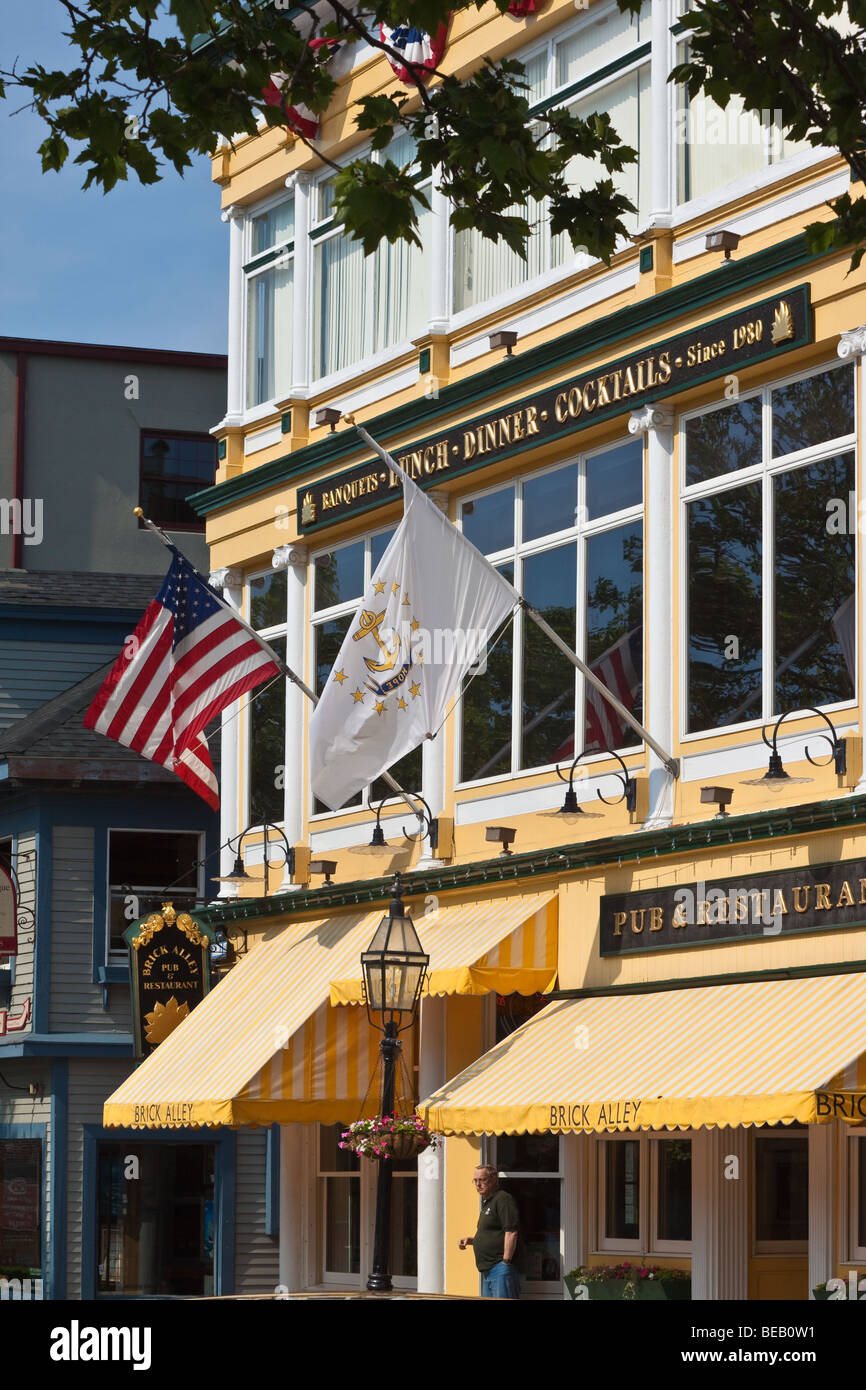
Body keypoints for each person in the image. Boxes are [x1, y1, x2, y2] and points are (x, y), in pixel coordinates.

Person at [459, 1163, 520, 1298]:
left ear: (493, 1180)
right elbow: (493, 1235)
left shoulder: (503, 1199)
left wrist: (506, 1262)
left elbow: (511, 1232)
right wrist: (472, 1241)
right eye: (475, 1180)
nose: (478, 1184)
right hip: (488, 1271)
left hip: (499, 1268)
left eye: (482, 1180)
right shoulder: (488, 1202)